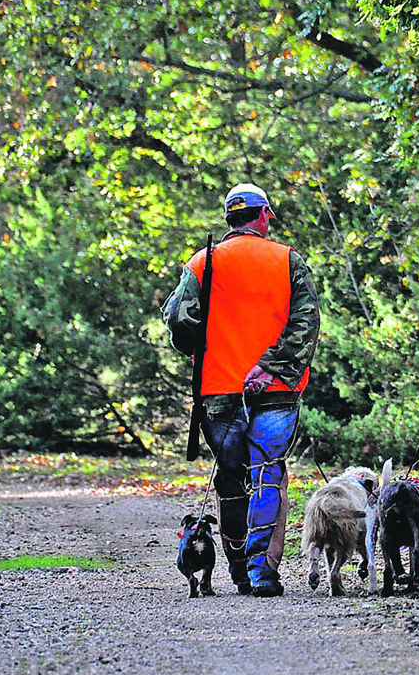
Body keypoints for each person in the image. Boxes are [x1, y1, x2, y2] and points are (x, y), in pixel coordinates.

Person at [163, 183, 320, 597]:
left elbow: (179, 322)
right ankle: (261, 571)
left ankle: (236, 570)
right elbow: (306, 325)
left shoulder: (202, 263)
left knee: (230, 480)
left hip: (217, 391)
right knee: (267, 472)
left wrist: (200, 349)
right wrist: (270, 368)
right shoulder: (288, 259)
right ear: (264, 215)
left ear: (229, 219)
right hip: (277, 389)